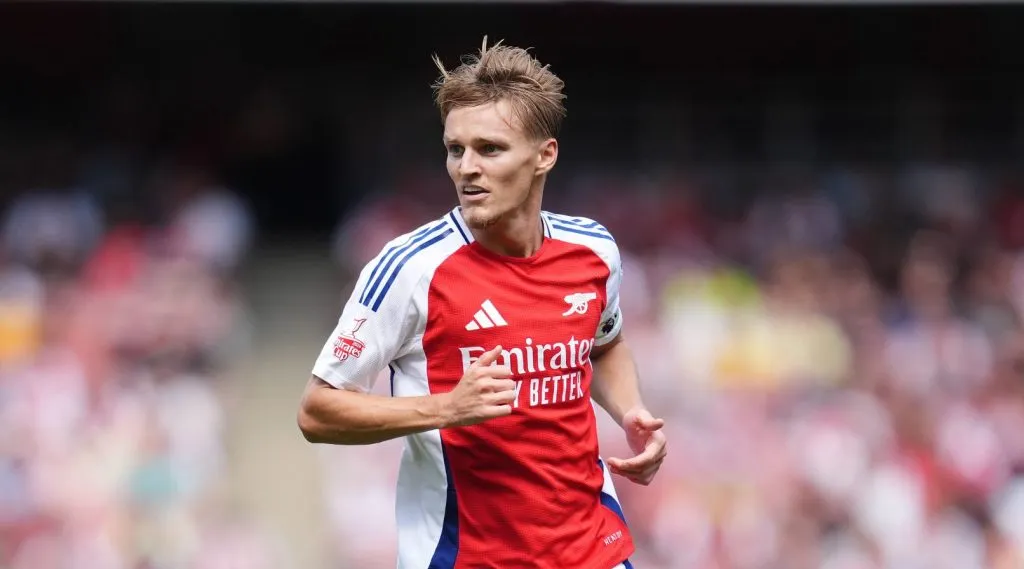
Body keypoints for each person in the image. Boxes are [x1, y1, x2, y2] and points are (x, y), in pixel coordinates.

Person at [298, 37, 667, 569]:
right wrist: (447, 409)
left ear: (545, 155)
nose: (466, 168)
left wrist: (630, 412)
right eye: (456, 149)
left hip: (593, 551)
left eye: (489, 149)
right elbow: (317, 411)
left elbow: (605, 344)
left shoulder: (593, 250)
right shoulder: (409, 268)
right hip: (468, 557)